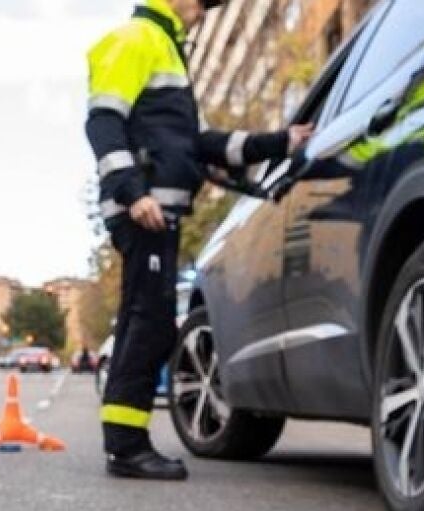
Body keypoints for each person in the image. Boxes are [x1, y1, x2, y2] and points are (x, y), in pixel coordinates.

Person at [86, 0, 312, 481]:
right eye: (201, 3)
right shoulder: (136, 39)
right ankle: (126, 448)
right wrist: (132, 192)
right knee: (149, 324)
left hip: (160, 211)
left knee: (145, 322)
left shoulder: (168, 50)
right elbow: (103, 121)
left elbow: (203, 145)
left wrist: (281, 142)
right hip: (145, 210)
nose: (203, 12)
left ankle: (124, 443)